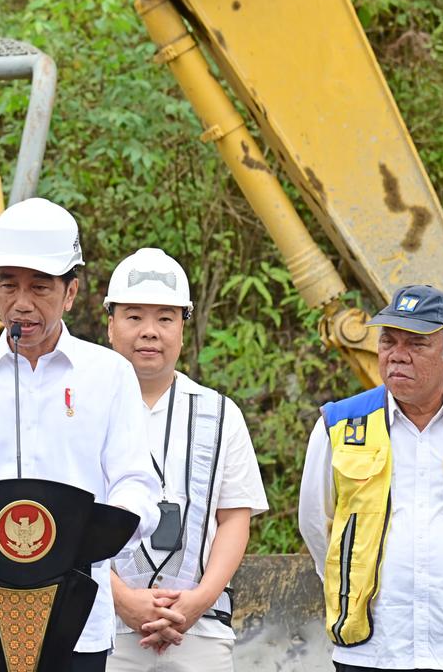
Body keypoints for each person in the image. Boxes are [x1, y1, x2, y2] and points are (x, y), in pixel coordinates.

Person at [0, 198, 160, 672]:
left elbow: (135, 483)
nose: (21, 303)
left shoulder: (109, 375)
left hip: (77, 614)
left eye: (40, 287)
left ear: (70, 292)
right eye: (8, 285)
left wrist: (98, 537)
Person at [298, 284, 443, 672]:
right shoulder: (340, 424)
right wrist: (349, 583)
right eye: (389, 341)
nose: (397, 356)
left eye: (417, 344)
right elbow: (314, 521)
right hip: (374, 646)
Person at [103, 248, 267, 672]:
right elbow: (66, 518)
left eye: (165, 317)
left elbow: (234, 517)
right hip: (102, 625)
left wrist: (198, 600)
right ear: (110, 324)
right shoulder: (82, 408)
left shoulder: (219, 413)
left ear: (182, 326)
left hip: (199, 628)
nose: (149, 331)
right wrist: (122, 599)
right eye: (134, 316)